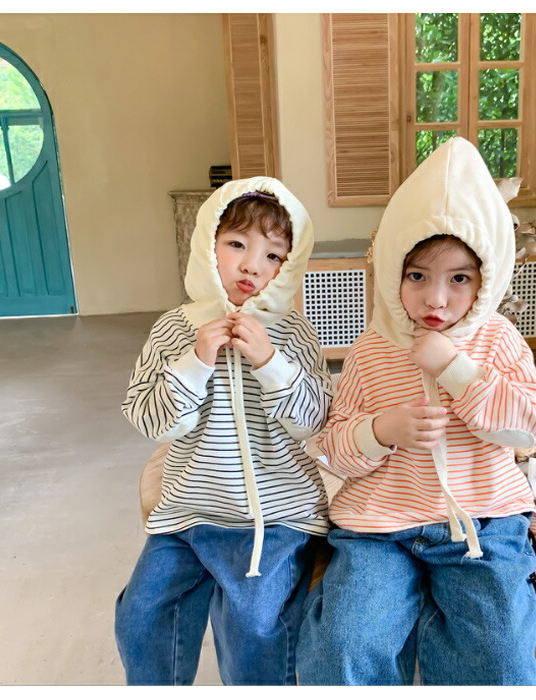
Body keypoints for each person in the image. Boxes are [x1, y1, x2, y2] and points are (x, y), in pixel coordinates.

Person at [296, 137, 536, 686]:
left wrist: (456, 369)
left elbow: (529, 426)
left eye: (459, 278)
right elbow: (334, 449)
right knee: (344, 644)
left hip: (483, 523)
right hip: (379, 528)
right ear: (394, 271)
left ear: (486, 279)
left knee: (501, 656)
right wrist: (380, 431)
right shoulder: (371, 348)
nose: (436, 299)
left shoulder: (498, 339)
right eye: (417, 276)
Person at [114, 178, 332, 686]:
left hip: (277, 517)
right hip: (189, 512)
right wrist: (195, 362)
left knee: (254, 625)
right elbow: (149, 419)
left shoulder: (293, 332)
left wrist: (271, 362)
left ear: (288, 267)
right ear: (206, 245)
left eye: (273, 255)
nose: (252, 266)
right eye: (237, 244)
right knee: (140, 616)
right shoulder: (173, 328)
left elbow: (314, 421)